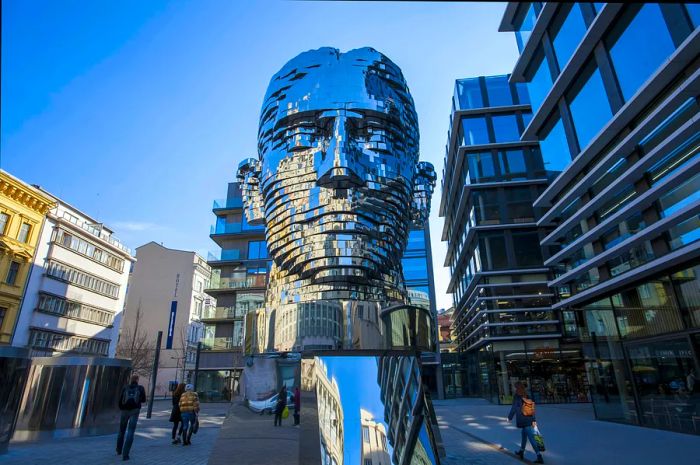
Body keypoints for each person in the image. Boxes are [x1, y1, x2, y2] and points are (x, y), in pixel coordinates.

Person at [507, 382, 543, 464]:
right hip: (529, 418)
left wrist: (509, 417)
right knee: (524, 435)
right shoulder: (527, 395)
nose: (514, 388)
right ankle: (521, 451)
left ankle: (539, 456)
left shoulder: (517, 397)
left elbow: (514, 408)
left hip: (523, 420)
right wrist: (533, 420)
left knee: (531, 438)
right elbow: (532, 409)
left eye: (515, 387)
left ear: (517, 388)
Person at [116, 374, 147, 461]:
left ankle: (118, 450)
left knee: (121, 431)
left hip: (124, 411)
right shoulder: (140, 388)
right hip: (135, 411)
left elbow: (120, 399)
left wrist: (122, 408)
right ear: (137, 380)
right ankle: (125, 455)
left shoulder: (125, 387)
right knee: (130, 431)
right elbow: (144, 400)